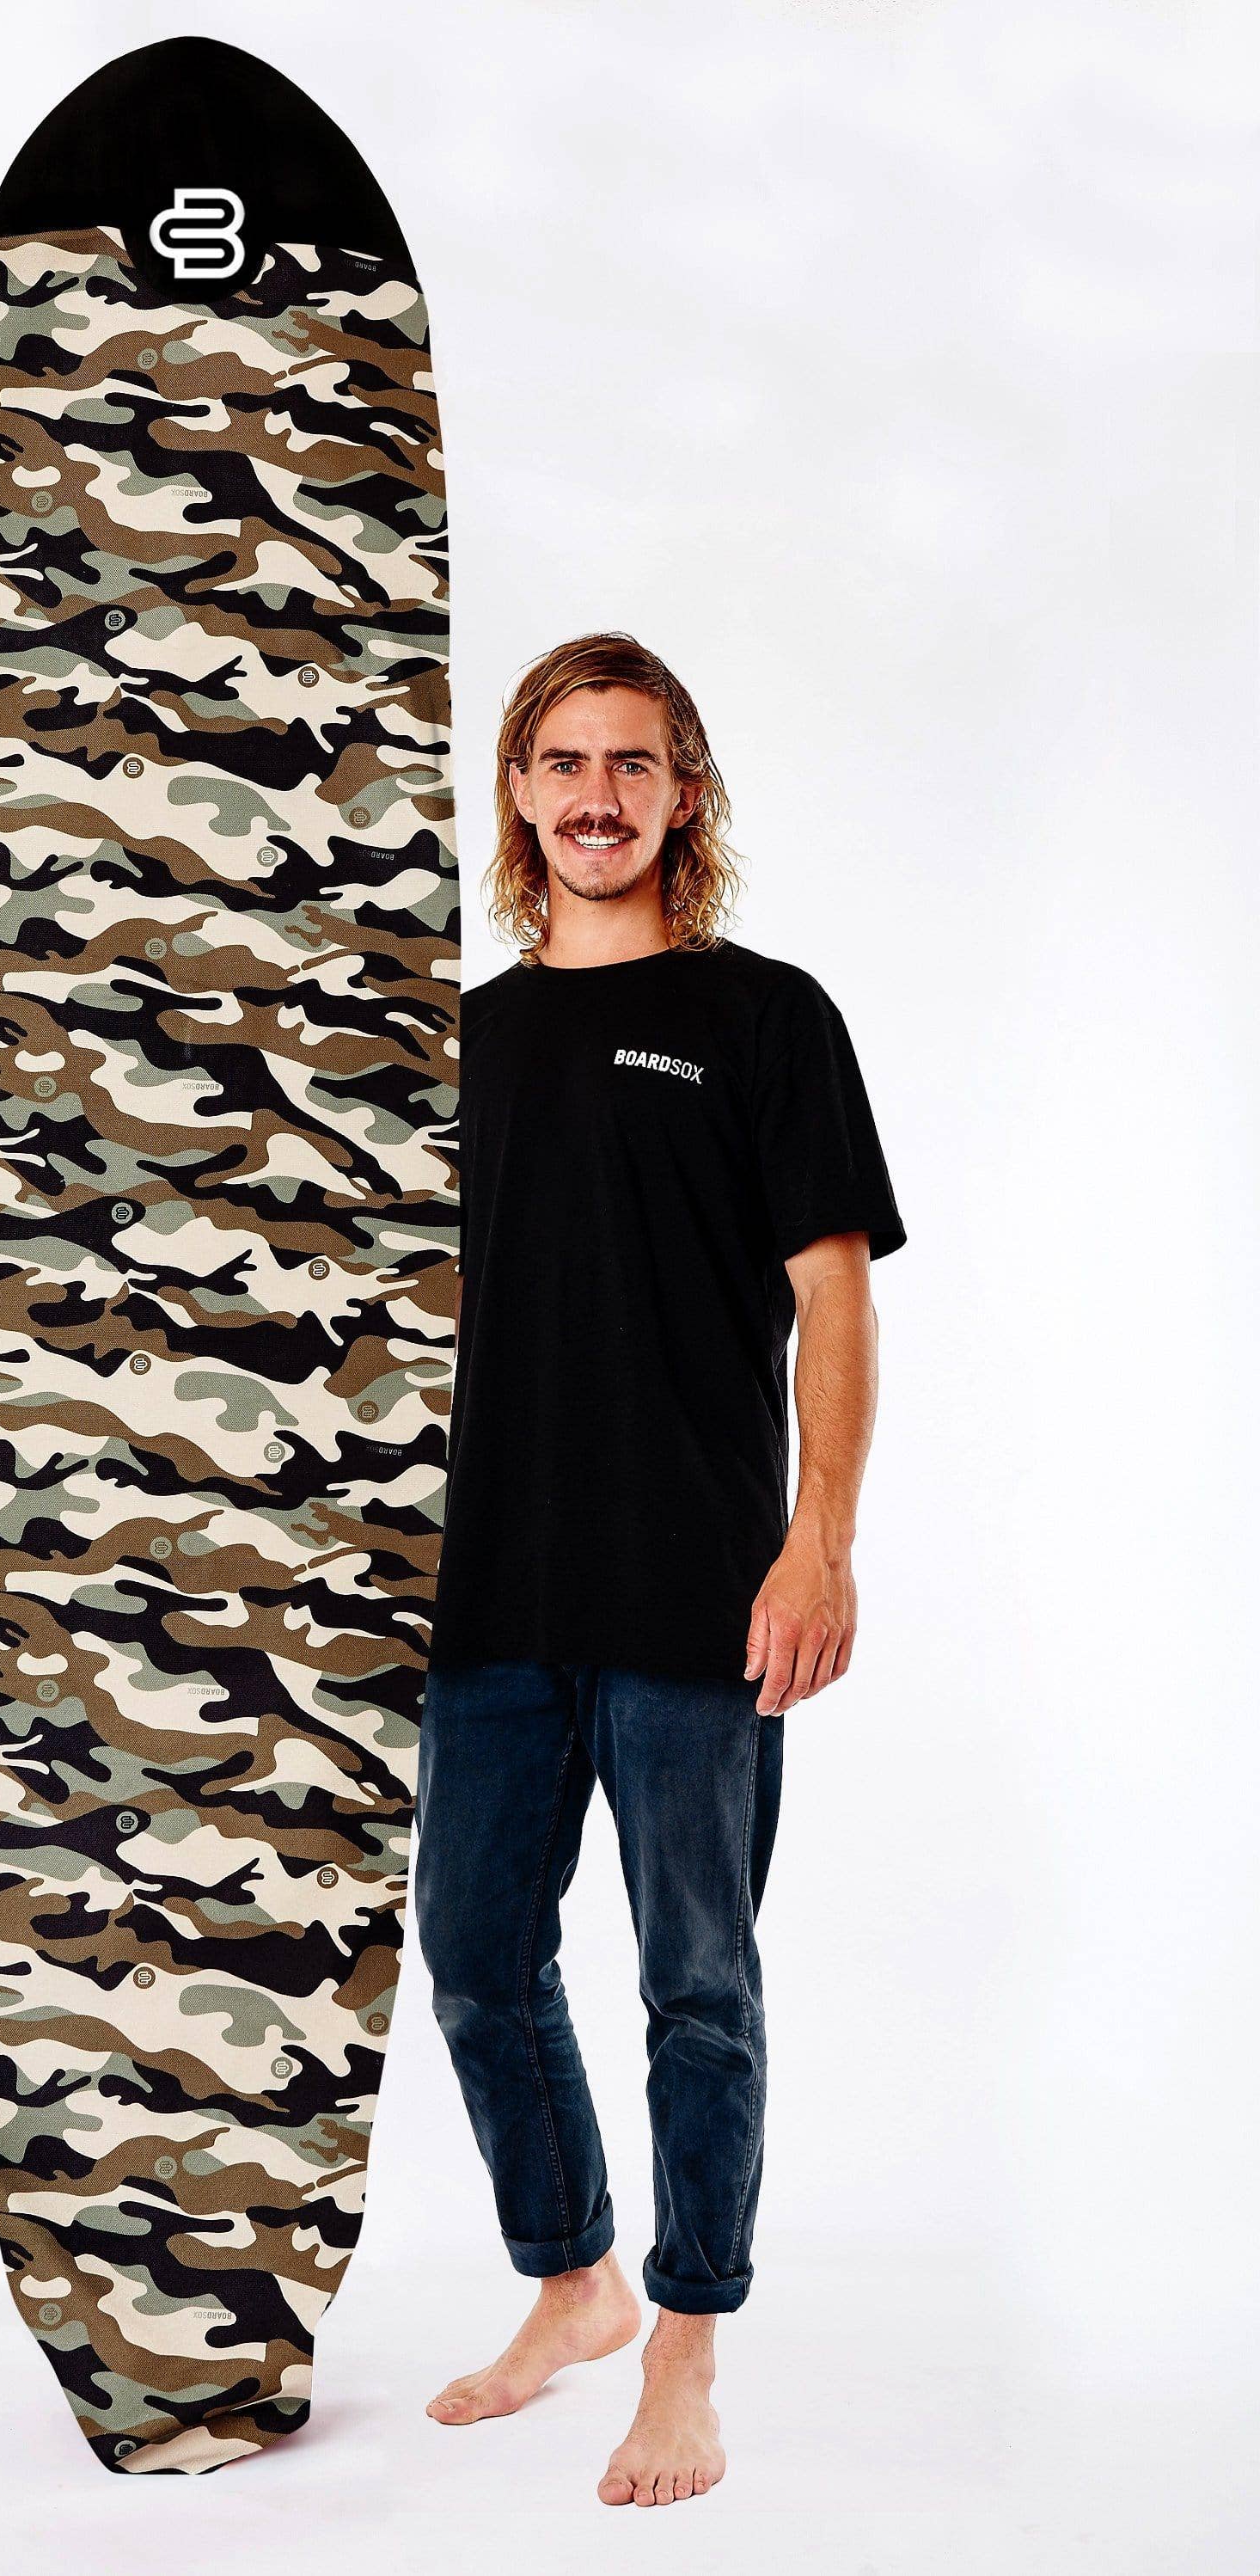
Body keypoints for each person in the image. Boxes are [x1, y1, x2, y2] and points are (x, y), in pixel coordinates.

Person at [413, 631, 906, 2507]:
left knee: (697, 1984)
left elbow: (833, 1300)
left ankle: (686, 2347)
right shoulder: (456, 1043)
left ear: (684, 792)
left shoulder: (765, 1016)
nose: (596, 796)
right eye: (563, 762)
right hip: (484, 1598)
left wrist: (818, 1539)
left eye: (632, 762)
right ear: (516, 792)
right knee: (476, 1956)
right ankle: (575, 2282)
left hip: (700, 1592)